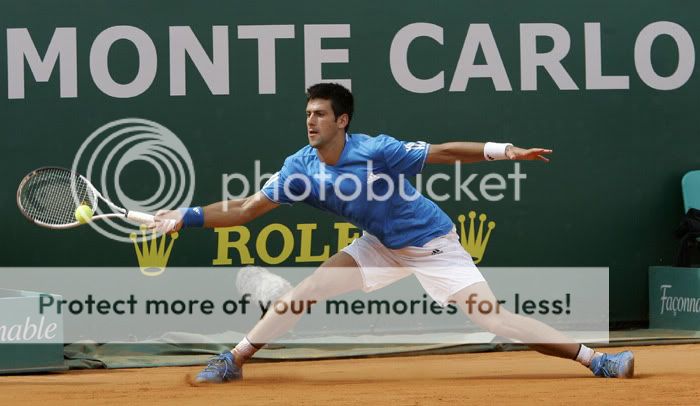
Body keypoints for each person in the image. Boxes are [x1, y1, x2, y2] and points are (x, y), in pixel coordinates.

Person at [152, 83, 634, 383]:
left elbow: (445, 152)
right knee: (309, 289)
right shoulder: (299, 167)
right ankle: (234, 359)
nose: (311, 121)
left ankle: (596, 360)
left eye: (320, 114)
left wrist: (505, 151)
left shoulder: (377, 150)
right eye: (307, 115)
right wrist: (186, 214)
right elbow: (248, 208)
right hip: (379, 246)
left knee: (494, 320)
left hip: (433, 244)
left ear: (342, 121)